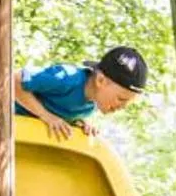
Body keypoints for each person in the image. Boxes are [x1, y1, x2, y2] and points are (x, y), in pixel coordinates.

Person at [14, 45, 148, 140]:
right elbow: (15, 80)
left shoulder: (94, 102)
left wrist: (79, 122)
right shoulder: (67, 78)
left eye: (127, 104)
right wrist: (46, 116)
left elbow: (63, 107)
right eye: (121, 99)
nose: (122, 107)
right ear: (100, 80)